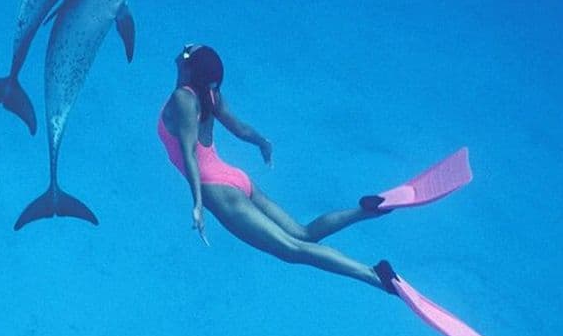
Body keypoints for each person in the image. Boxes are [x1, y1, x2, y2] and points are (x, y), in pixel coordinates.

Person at [157, 43, 396, 293]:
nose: (183, 50)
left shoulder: (182, 99)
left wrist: (197, 204)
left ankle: (375, 276)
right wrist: (262, 142)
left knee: (292, 249)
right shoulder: (210, 95)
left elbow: (189, 156)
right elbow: (240, 129)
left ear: (189, 70)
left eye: (187, 52)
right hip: (234, 178)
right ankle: (367, 210)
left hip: (220, 193)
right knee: (303, 234)